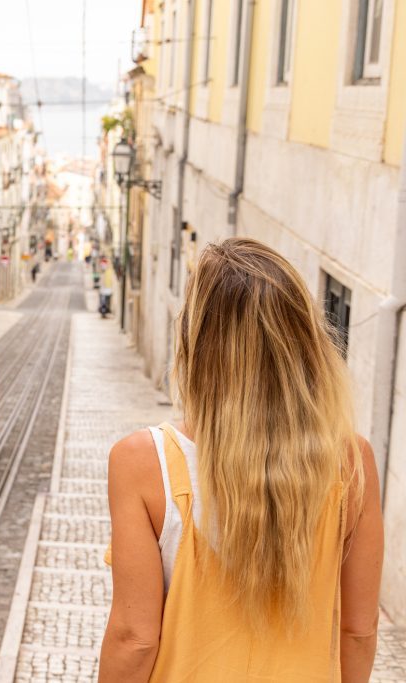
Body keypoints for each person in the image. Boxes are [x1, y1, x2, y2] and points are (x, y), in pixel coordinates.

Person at [99, 238, 382, 682]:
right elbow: (359, 630)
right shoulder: (351, 462)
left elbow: (135, 638)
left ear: (197, 343)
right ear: (306, 343)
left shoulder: (144, 462)